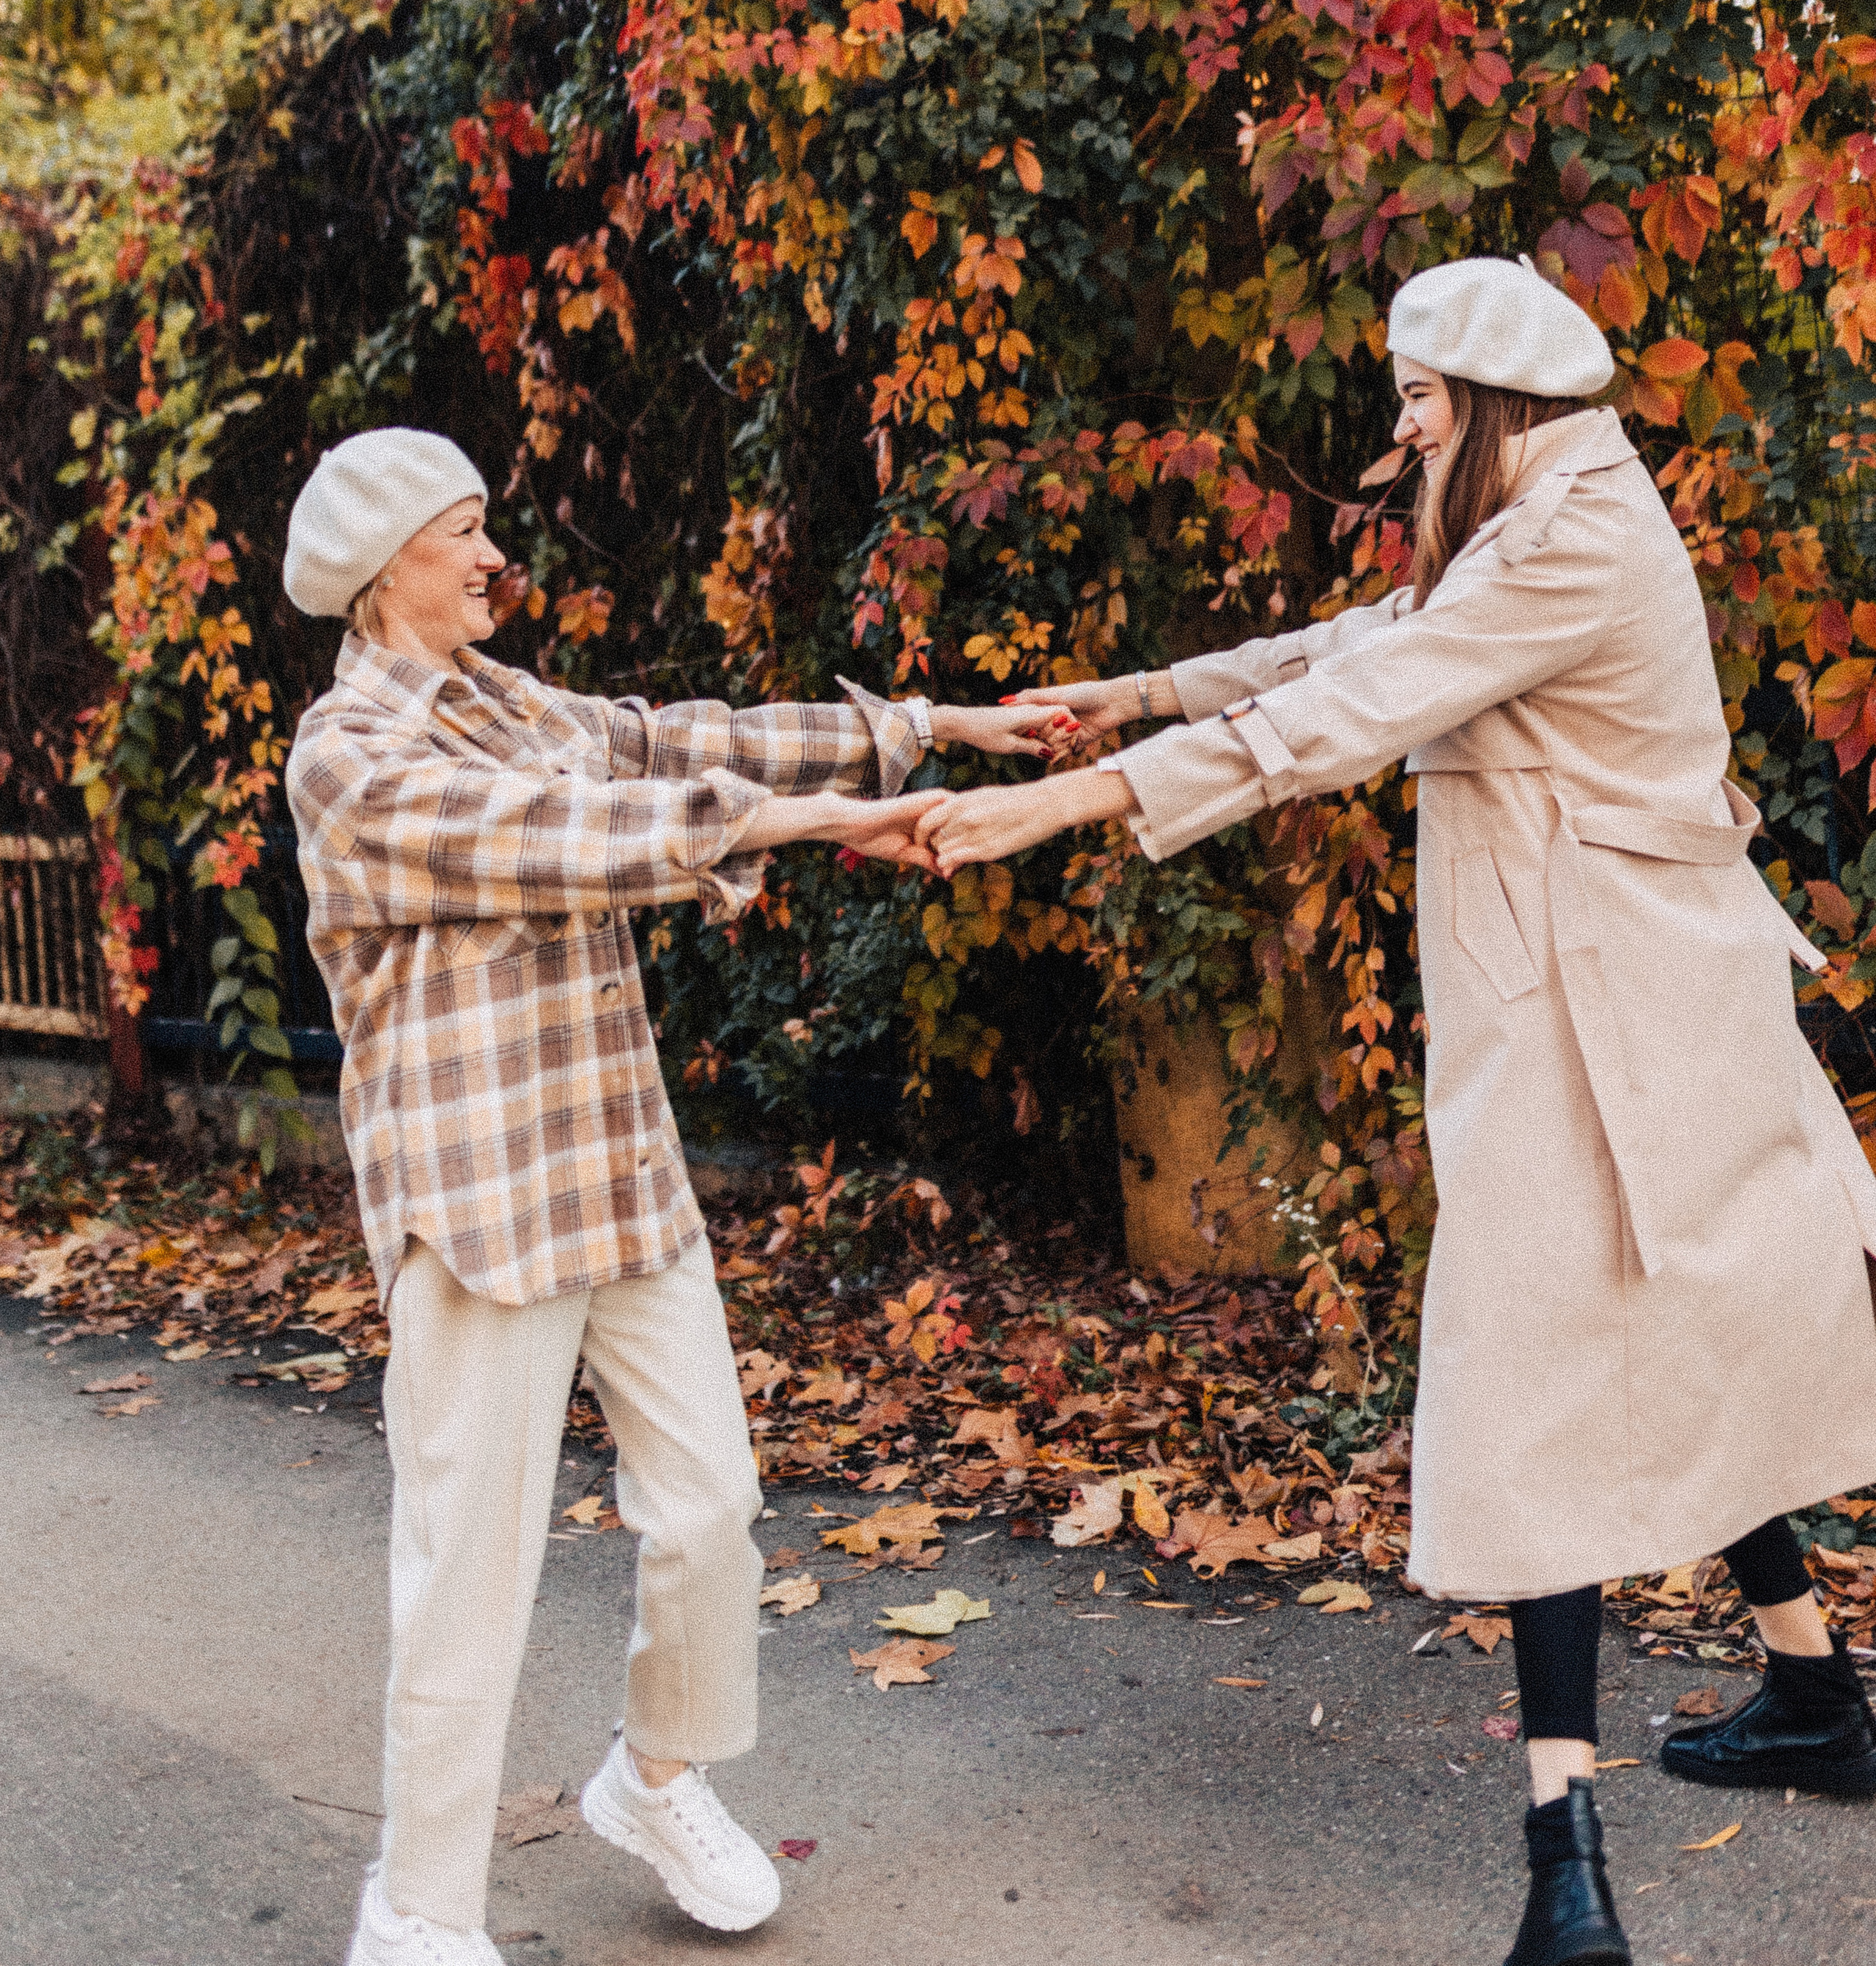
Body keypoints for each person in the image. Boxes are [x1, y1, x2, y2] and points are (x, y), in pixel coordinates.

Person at [915, 257, 1876, 1966]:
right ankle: (1813, 1700)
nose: (1398, 423)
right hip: (1604, 1016)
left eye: (1417, 395)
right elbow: (1347, 645)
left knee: (1535, 1388)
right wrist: (1132, 703)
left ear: (1486, 396)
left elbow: (1345, 717)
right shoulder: (1536, 519)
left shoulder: (1567, 540)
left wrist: (1060, 805)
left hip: (1613, 1028)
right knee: (1673, 1338)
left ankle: (1561, 1872)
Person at [281, 428, 1053, 1966]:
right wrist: (828, 830)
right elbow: (572, 841)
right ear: (384, 574)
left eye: (489, 524)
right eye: (464, 532)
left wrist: (929, 725)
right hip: (481, 1200)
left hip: (617, 1170)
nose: (496, 556)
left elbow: (682, 739)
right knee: (469, 1573)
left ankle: (652, 1776)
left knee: (709, 1509)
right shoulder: (349, 758)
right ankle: (418, 1910)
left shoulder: (514, 703)